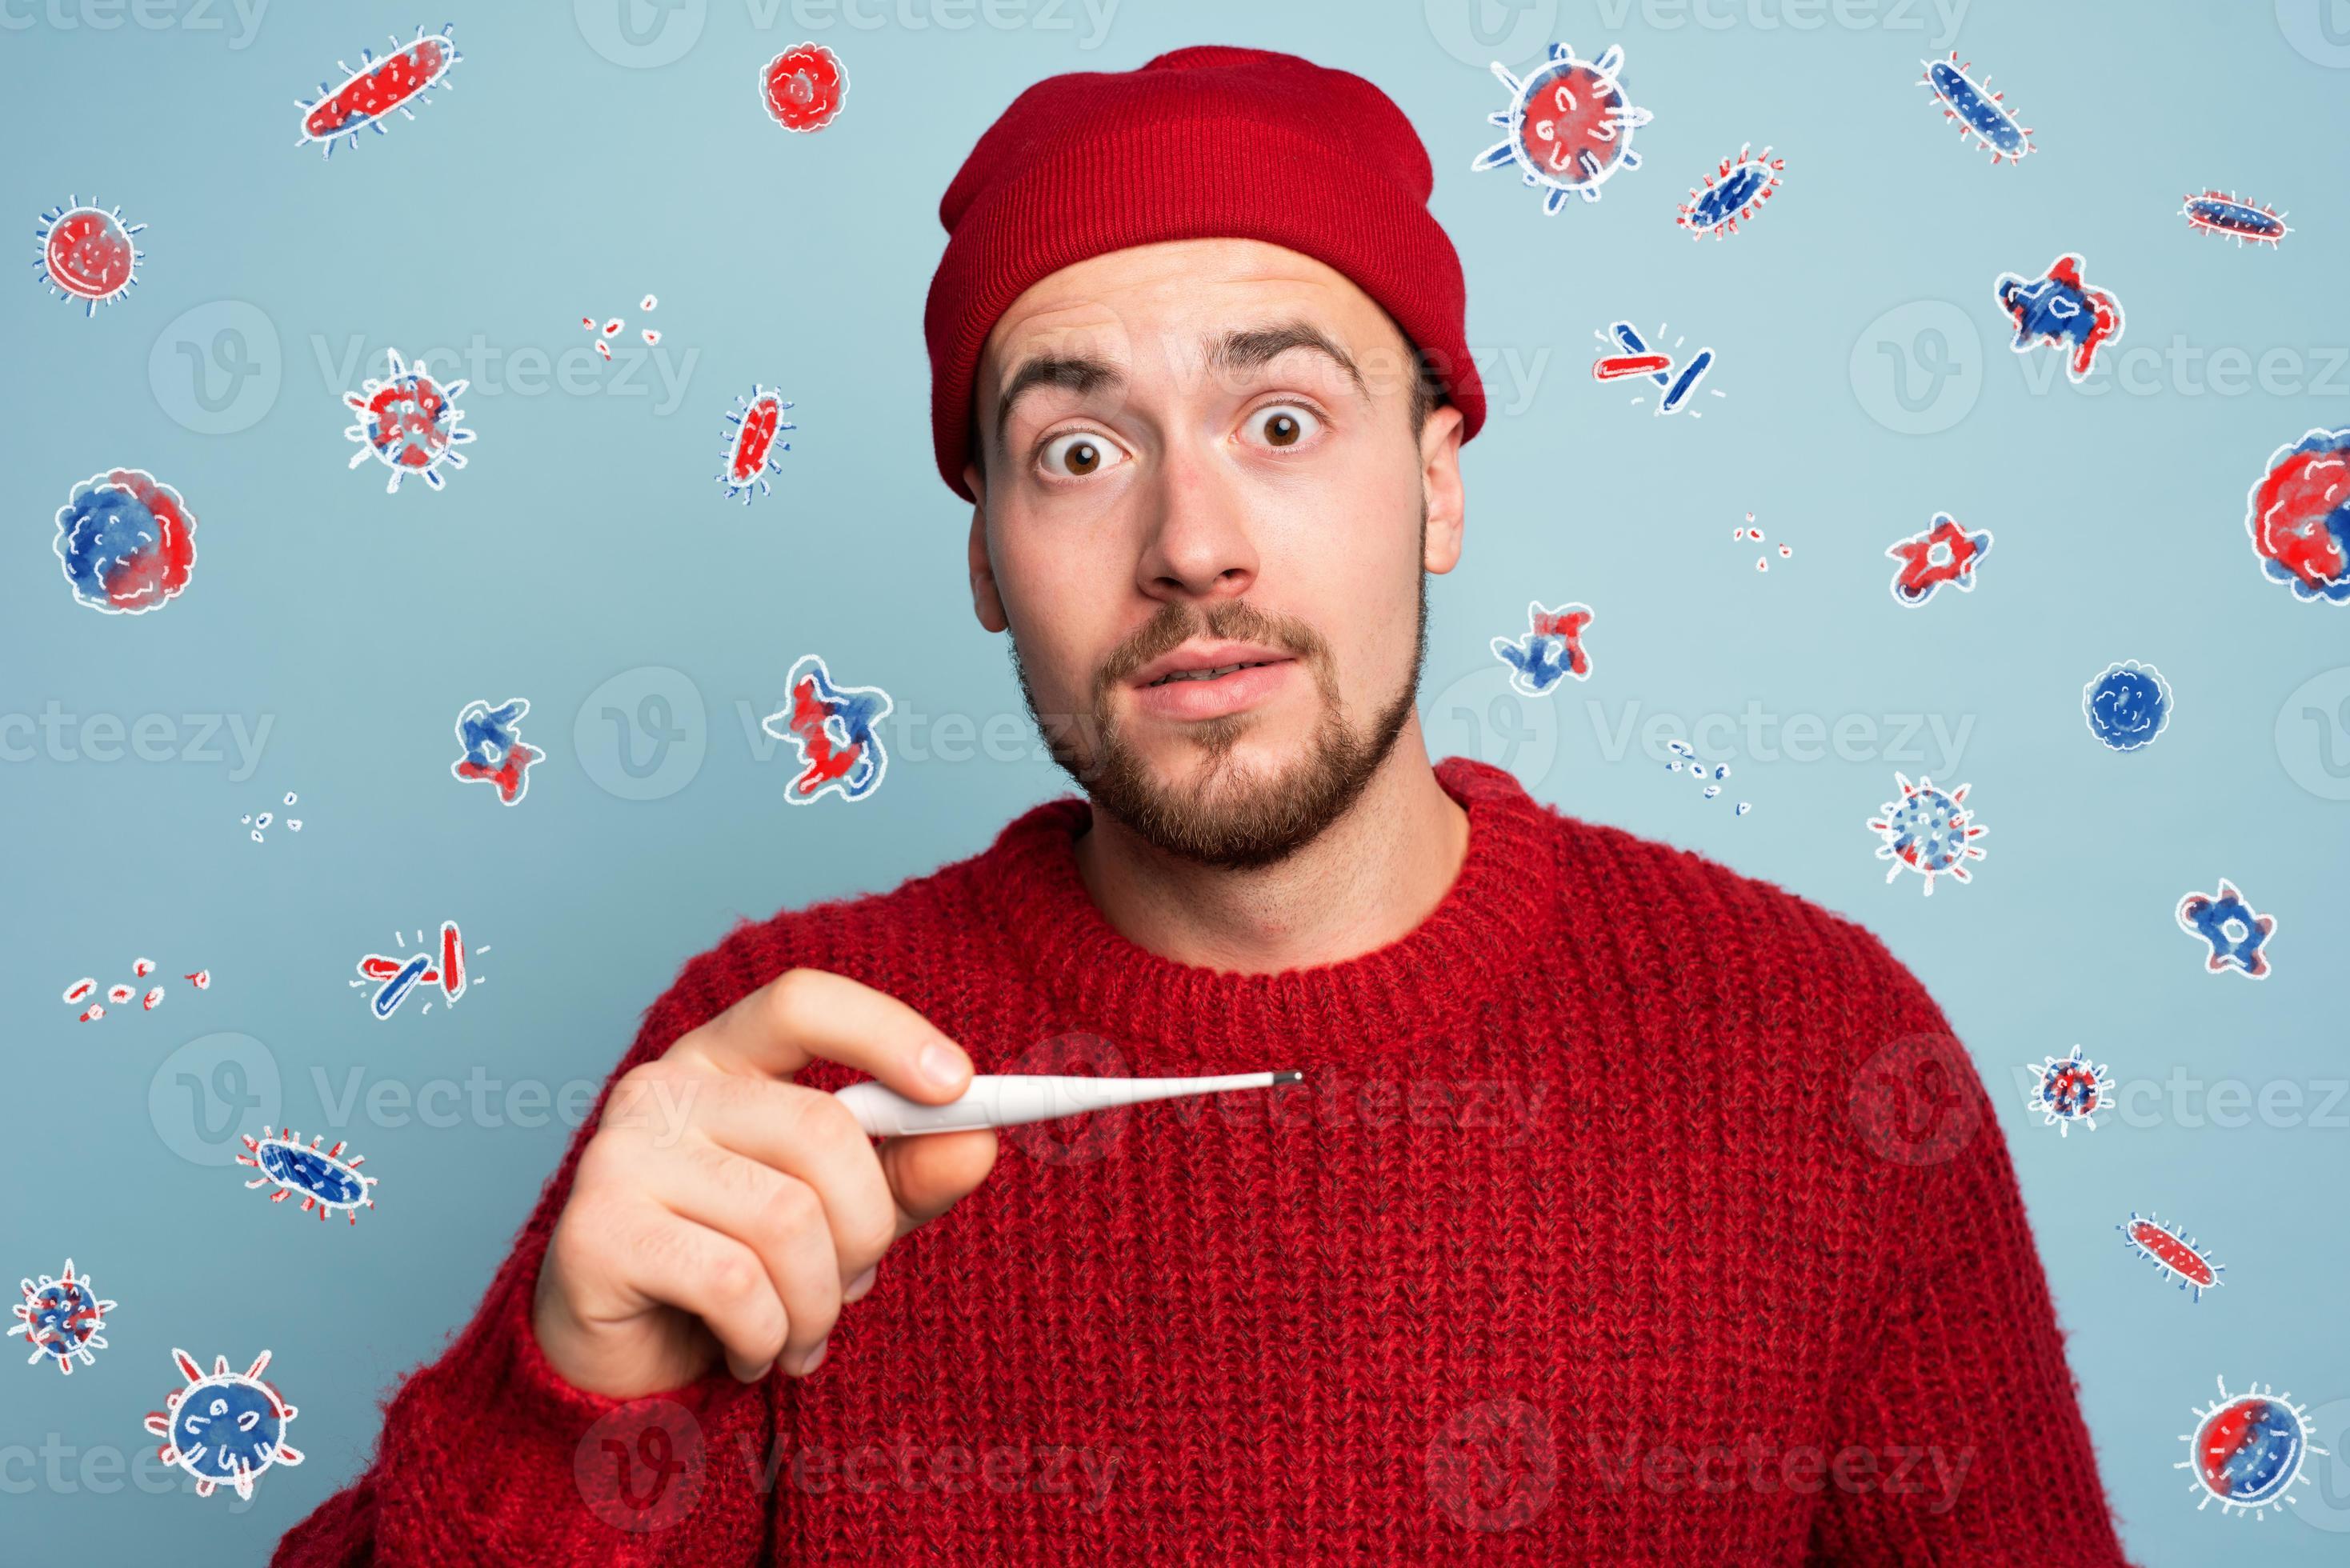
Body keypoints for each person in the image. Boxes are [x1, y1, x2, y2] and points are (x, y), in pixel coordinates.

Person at [277, 46, 2132, 1565]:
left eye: (1280, 421)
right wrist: (563, 1392)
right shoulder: (777, 1069)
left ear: (1436, 483)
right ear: (990, 561)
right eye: (1076, 452)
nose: (1189, 543)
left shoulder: (1817, 1048)